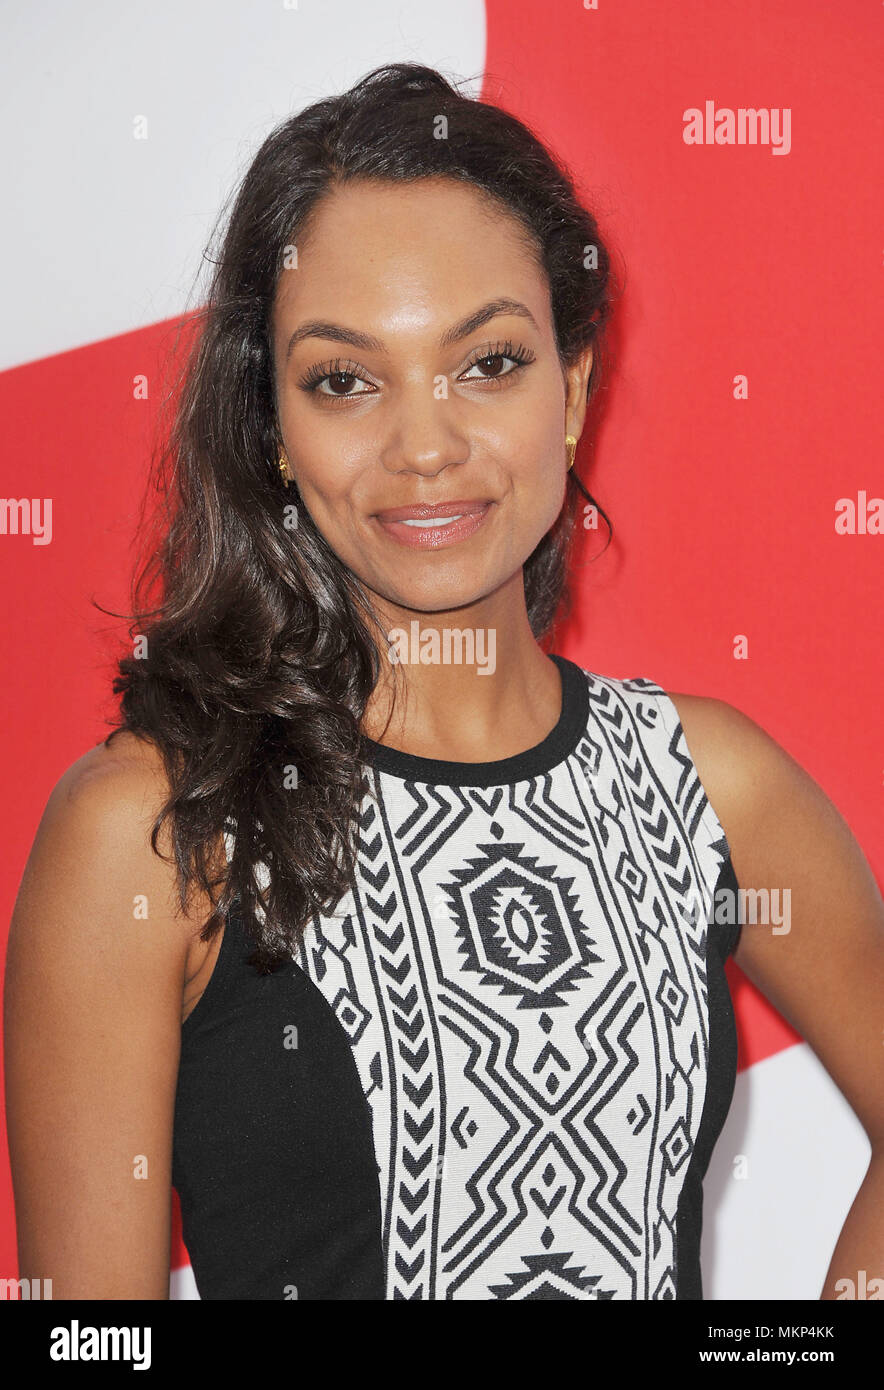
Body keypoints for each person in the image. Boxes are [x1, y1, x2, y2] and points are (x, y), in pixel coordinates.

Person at [5, 62, 883, 1301]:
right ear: (270, 425)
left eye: (487, 363)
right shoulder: (150, 836)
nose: (424, 446)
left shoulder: (705, 783)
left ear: (570, 389)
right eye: (344, 380)